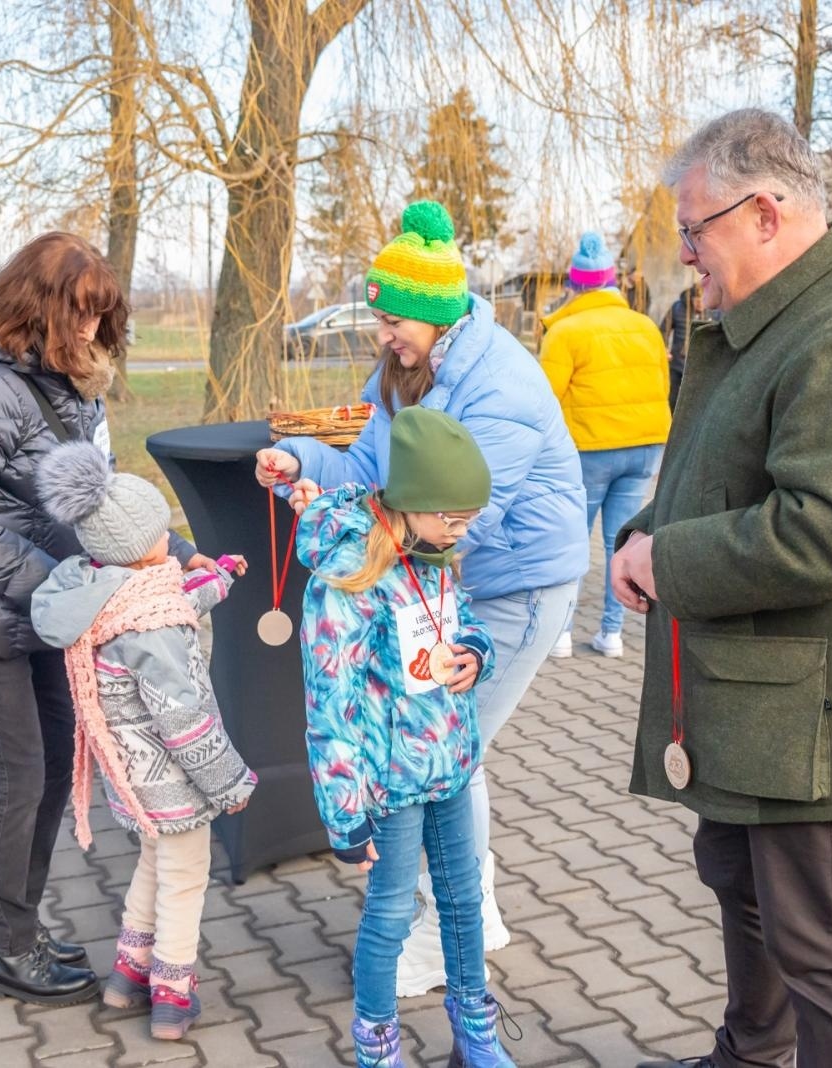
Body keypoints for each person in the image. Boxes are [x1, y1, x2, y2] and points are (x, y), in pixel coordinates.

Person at [613, 109, 832, 1068]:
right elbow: (717, 474)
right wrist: (647, 531)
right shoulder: (769, 325)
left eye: (694, 227)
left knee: (821, 944)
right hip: (754, 695)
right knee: (738, 880)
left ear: (765, 213)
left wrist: (665, 563)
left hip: (815, 716)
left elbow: (831, 532)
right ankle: (751, 1053)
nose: (685, 254)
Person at [255, 200, 586, 997]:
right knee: (453, 752)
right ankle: (476, 914)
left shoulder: (499, 385)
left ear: (436, 317)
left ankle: (449, 936)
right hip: (453, 581)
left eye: (394, 321)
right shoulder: (409, 370)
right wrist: (302, 464)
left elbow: (454, 523)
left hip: (519, 584)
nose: (382, 337)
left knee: (451, 753)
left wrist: (346, 549)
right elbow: (376, 474)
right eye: (381, 321)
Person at [0, 232, 212, 1005]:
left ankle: (8, 922)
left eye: (100, 318)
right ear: (37, 306)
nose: (88, 333)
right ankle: (7, 947)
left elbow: (84, 501)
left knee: (50, 763)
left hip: (35, 610)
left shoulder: (53, 380)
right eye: (78, 314)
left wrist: (169, 549)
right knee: (18, 776)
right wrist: (61, 587)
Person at [287, 406, 513, 1068]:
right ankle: (377, 1045)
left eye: (468, 515)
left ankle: (475, 1031)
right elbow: (330, 702)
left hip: (448, 761)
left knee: (464, 900)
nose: (460, 528)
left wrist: (474, 651)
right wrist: (344, 813)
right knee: (389, 912)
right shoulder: (350, 577)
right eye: (451, 514)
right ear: (411, 500)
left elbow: (460, 618)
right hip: (390, 783)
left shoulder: (432, 551)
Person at [30, 442, 257, 1039]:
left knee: (154, 866)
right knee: (185, 878)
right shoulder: (154, 628)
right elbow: (187, 719)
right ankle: (173, 995)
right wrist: (230, 782)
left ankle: (128, 974)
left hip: (129, 780)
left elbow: (172, 597)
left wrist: (217, 580)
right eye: (164, 533)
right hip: (176, 783)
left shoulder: (105, 595)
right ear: (144, 546)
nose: (171, 543)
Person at [540, 231, 669, 660]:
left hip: (590, 448)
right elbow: (663, 385)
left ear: (574, 285)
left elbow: (545, 398)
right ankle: (612, 634)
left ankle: (561, 634)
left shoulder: (564, 331)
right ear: (612, 283)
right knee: (624, 541)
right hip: (645, 446)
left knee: (574, 541)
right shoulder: (645, 326)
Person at [661, 283, 704, 411]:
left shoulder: (713, 308)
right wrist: (664, 347)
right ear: (691, 299)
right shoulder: (678, 308)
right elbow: (664, 329)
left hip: (701, 365)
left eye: (702, 300)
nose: (700, 304)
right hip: (678, 363)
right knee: (673, 398)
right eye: (697, 301)